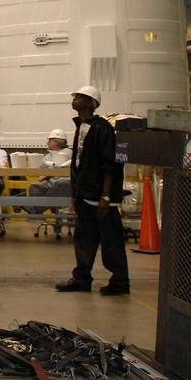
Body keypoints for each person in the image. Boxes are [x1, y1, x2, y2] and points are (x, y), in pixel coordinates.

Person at [56, 87, 130, 296]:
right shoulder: (82, 127)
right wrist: (76, 195)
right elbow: (80, 163)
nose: (74, 99)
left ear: (90, 103)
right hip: (85, 196)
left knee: (110, 242)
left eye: (79, 97)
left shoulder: (102, 129)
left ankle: (120, 282)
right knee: (84, 239)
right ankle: (81, 278)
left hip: (101, 198)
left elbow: (110, 165)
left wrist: (105, 196)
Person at [30, 128, 73, 232]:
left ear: (56, 142)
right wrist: (43, 179)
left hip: (64, 183)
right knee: (34, 187)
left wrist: (48, 175)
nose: (47, 142)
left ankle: (39, 208)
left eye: (50, 140)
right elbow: (41, 174)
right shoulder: (47, 156)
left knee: (60, 184)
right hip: (50, 184)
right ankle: (38, 209)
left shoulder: (69, 154)